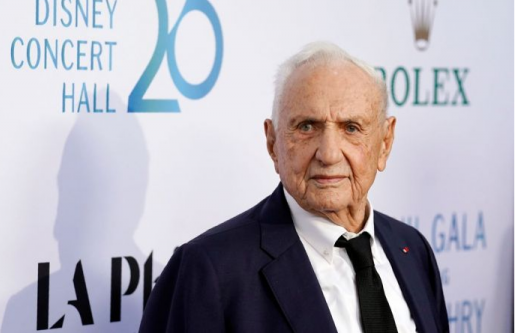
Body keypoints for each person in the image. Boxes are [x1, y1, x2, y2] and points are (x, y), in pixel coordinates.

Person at [139, 42, 448, 333]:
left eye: (351, 128)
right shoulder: (210, 269)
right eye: (306, 127)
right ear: (273, 142)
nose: (328, 154)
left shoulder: (412, 249)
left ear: (385, 143)